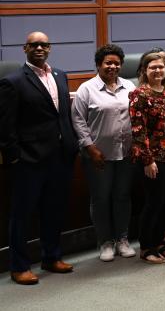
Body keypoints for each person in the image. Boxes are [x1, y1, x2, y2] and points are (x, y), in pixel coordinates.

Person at [0, 32, 78, 284]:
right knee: (22, 215)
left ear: (50, 48)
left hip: (60, 156)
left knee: (54, 210)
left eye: (44, 44)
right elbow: (5, 126)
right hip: (29, 160)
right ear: (25, 48)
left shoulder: (60, 75)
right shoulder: (13, 81)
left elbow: (63, 115)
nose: (39, 48)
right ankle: (19, 266)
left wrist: (71, 144)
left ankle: (51, 257)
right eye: (34, 44)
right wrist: (14, 158)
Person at [72, 44, 137, 262]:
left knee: (122, 197)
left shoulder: (129, 86)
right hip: (98, 156)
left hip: (126, 153)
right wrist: (90, 148)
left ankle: (122, 239)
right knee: (100, 199)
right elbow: (78, 121)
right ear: (99, 64)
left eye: (117, 63)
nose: (113, 66)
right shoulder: (86, 89)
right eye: (108, 62)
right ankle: (105, 241)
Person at [130, 51, 165, 264]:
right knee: (153, 203)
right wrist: (147, 160)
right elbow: (138, 130)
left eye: (161, 67)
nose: (158, 70)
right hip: (152, 159)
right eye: (153, 67)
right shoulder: (139, 94)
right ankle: (147, 247)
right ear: (144, 70)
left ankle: (162, 243)